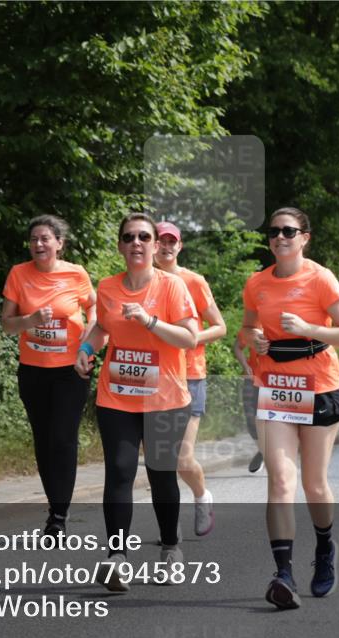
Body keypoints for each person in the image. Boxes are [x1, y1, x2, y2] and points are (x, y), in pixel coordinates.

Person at [241, 206, 339, 610]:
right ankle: (284, 574)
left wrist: (309, 329)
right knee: (279, 480)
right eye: (274, 231)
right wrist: (255, 338)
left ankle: (325, 546)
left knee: (314, 484)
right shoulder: (257, 283)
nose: (280, 237)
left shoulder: (321, 278)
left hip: (320, 386)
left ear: (304, 237)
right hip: (275, 385)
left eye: (289, 231)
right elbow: (246, 327)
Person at [75, 212, 198, 592]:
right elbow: (102, 327)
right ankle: (117, 558)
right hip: (118, 395)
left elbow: (190, 338)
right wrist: (85, 348)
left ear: (155, 244)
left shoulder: (172, 286)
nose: (137, 244)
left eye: (144, 237)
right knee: (120, 470)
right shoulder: (108, 286)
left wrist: (149, 321)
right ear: (120, 246)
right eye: (129, 237)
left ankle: (171, 549)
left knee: (161, 477)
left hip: (165, 398)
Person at [1, 215, 96, 540]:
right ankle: (54, 509)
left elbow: (94, 310)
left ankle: (59, 516)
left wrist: (90, 339)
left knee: (62, 438)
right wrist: (30, 320)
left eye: (45, 239)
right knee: (43, 441)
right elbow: (6, 323)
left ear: (59, 243)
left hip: (70, 370)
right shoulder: (19, 273)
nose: (38, 244)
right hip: (33, 371)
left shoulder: (76, 273)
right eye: (33, 240)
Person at [153, 221, 227, 536]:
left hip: (190, 377)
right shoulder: (142, 281)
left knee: (183, 457)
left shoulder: (193, 281)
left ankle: (201, 496)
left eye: (172, 241)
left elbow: (220, 326)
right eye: (160, 240)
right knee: (160, 460)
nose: (166, 246)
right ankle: (170, 527)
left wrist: (192, 339)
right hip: (152, 378)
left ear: (180, 246)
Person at [233, 331, 265, 474]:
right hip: (252, 378)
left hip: (273, 379)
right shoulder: (252, 326)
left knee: (270, 420)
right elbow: (237, 347)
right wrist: (245, 365)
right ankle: (263, 450)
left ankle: (269, 453)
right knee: (250, 417)